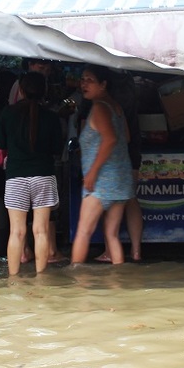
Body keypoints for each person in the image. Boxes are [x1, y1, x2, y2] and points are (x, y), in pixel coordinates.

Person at [0, 71, 63, 275]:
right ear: (44, 92)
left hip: (16, 177)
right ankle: (41, 278)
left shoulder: (8, 113)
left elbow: (2, 144)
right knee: (41, 231)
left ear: (22, 90)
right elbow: (57, 149)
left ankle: (13, 279)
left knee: (16, 232)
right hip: (43, 176)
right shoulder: (52, 117)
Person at [70, 64, 134, 265]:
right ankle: (118, 285)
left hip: (101, 183)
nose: (84, 84)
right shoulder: (116, 107)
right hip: (121, 180)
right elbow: (127, 137)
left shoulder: (99, 108)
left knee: (83, 232)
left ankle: (76, 284)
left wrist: (92, 173)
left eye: (90, 80)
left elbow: (110, 139)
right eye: (82, 80)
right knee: (112, 235)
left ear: (103, 84)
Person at [94, 71, 143, 263]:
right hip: (132, 154)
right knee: (131, 200)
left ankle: (109, 251)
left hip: (114, 159)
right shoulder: (130, 96)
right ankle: (136, 251)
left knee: (109, 204)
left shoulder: (107, 103)